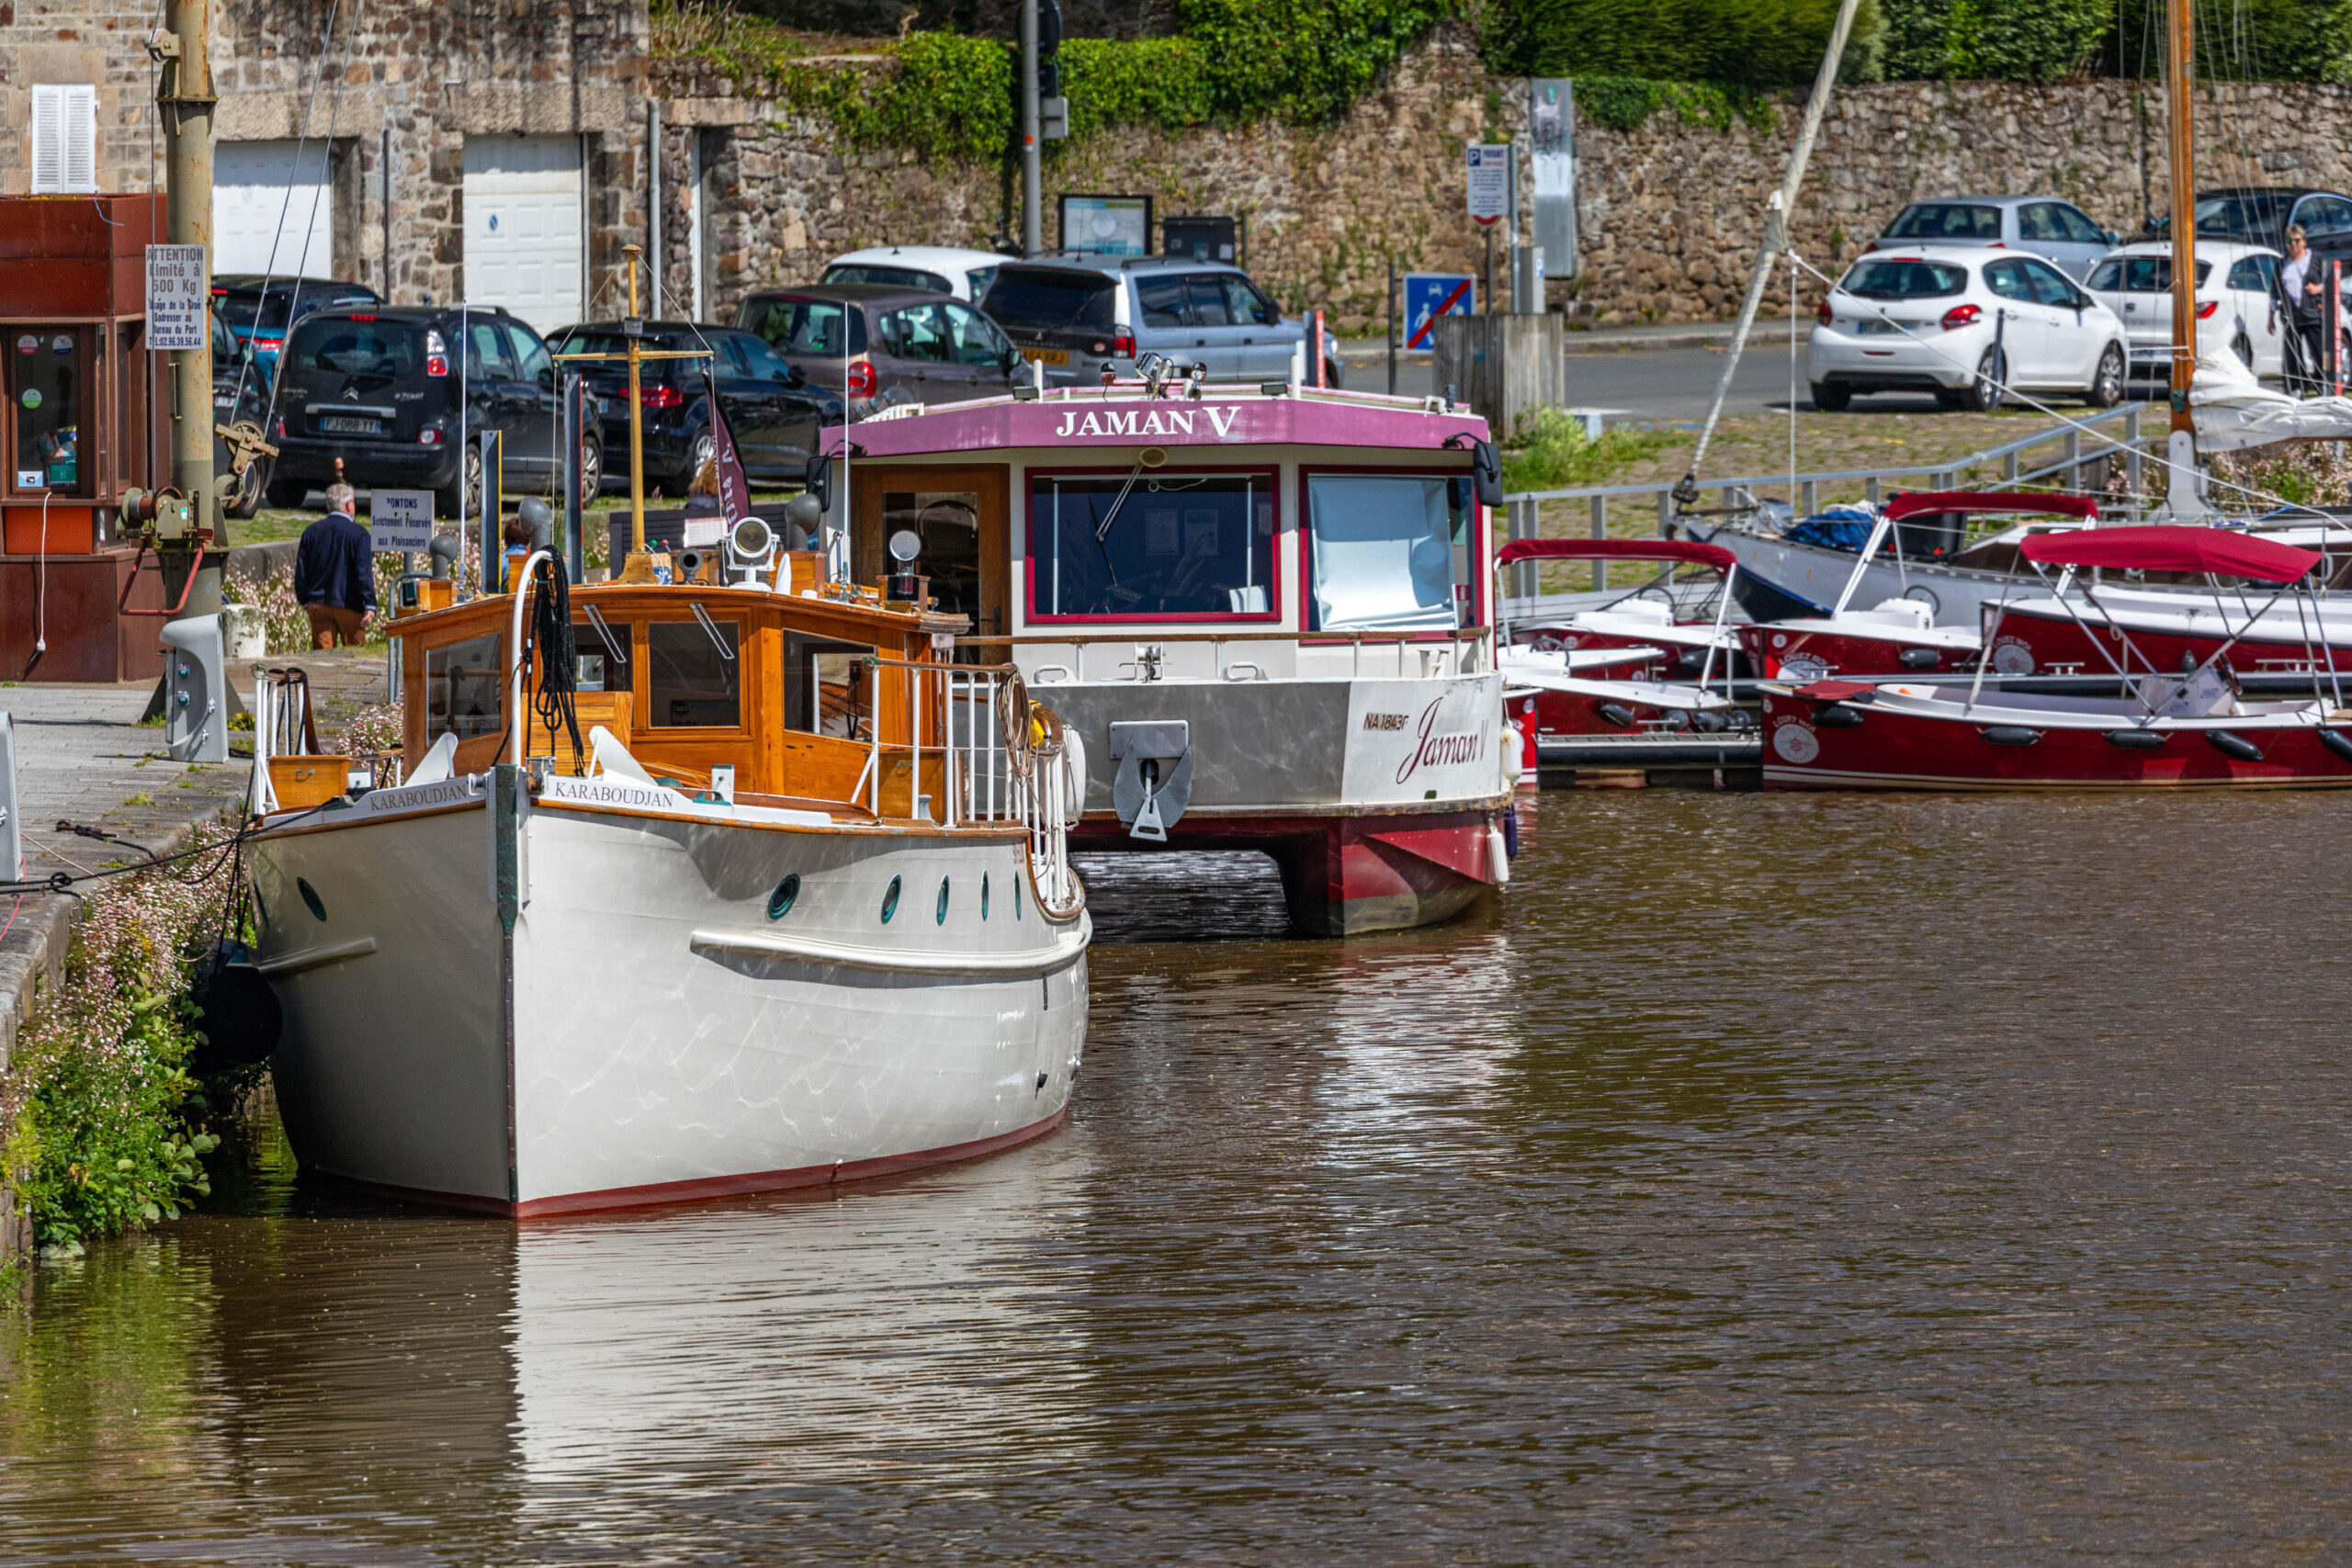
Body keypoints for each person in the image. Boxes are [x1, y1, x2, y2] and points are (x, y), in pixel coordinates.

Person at [292, 482, 376, 649]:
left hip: (318, 604)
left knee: (323, 659)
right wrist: (370, 604)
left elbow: (301, 572)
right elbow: (363, 573)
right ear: (349, 505)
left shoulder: (311, 532)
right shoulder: (359, 534)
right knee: (353, 657)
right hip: (350, 605)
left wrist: (305, 601)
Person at [2279, 225, 2327, 394]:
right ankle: (2296, 387)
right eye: (2289, 241)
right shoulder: (2283, 262)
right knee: (2292, 353)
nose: (2293, 245)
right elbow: (2274, 288)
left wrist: (2318, 289)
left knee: (2318, 351)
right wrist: (2271, 316)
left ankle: (2323, 384)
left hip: (2313, 313)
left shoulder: (2315, 259)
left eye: (2297, 241)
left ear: (2304, 242)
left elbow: (2331, 280)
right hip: (2291, 314)